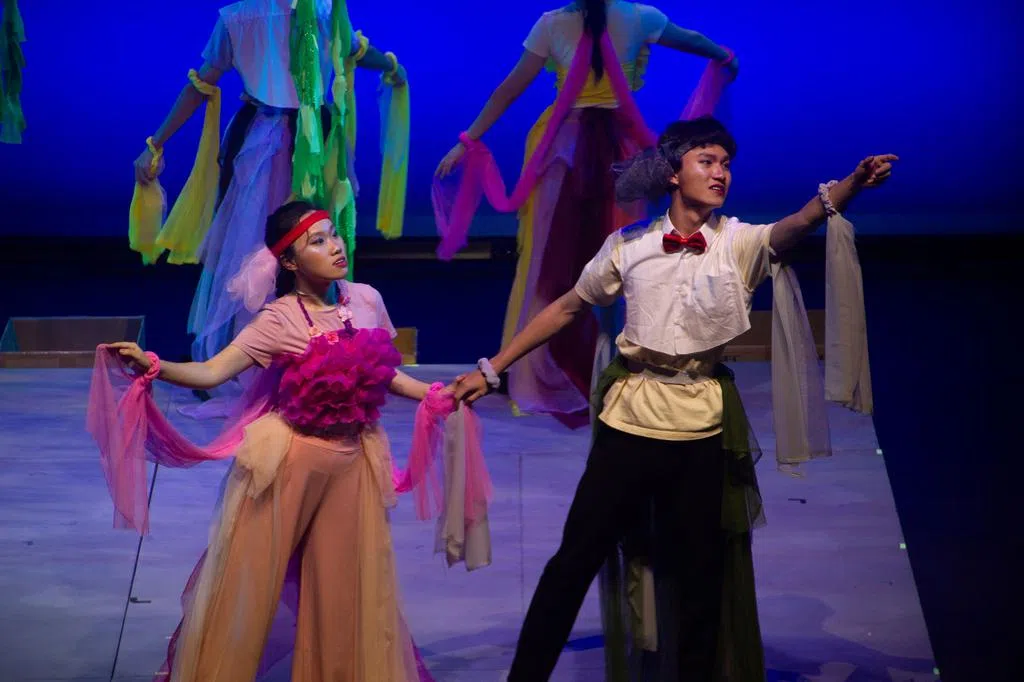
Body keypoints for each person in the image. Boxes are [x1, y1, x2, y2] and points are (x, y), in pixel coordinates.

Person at [454, 116, 896, 680]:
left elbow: (800, 222)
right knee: (575, 560)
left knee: (699, 576)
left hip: (699, 430)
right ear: (672, 174)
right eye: (706, 162)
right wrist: (493, 369)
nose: (720, 174)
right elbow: (566, 307)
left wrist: (852, 184)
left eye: (726, 164)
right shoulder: (630, 245)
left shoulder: (737, 242)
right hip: (629, 424)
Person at [89, 201, 492, 681]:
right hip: (291, 462)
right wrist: (154, 364)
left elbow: (385, 374)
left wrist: (435, 395)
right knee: (252, 583)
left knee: (344, 587)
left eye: (334, 234)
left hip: (354, 463)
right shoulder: (278, 319)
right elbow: (213, 370)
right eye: (317, 241)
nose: (336, 246)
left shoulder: (366, 300)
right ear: (289, 261)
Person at [433, 0, 736, 428]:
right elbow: (697, 42)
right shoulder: (637, 17)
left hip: (567, 148)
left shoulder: (556, 24)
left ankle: (571, 373)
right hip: (610, 150)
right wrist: (725, 57)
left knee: (559, 263)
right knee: (618, 261)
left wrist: (468, 140)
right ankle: (610, 373)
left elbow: (508, 89)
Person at [130, 0, 409, 368]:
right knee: (291, 242)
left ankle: (266, 354)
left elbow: (202, 83)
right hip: (295, 142)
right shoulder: (318, 10)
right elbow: (355, 51)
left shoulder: (243, 15)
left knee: (259, 242)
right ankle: (281, 353)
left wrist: (156, 142)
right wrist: (392, 66)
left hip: (268, 138)